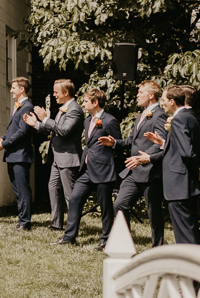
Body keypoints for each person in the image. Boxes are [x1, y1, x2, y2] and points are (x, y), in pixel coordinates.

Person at [97, 81, 167, 247]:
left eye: (140, 92)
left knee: (154, 213)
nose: (137, 95)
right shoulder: (142, 114)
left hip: (150, 171)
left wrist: (145, 157)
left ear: (151, 95)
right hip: (133, 172)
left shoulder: (159, 115)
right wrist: (114, 143)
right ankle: (125, 243)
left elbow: (160, 143)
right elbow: (132, 141)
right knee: (120, 205)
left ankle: (157, 248)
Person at [52, 88, 121, 249]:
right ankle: (69, 237)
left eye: (85, 101)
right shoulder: (87, 121)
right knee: (75, 199)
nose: (82, 104)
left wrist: (112, 169)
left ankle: (106, 240)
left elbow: (117, 147)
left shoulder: (110, 121)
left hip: (104, 170)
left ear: (95, 102)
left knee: (105, 206)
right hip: (87, 170)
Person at [136, 85, 200, 246]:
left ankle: (188, 268)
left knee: (184, 233)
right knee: (190, 228)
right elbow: (185, 147)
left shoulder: (178, 119)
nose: (162, 103)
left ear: (173, 101)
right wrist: (163, 143)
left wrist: (195, 171)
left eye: (164, 100)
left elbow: (187, 152)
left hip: (179, 183)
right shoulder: (191, 116)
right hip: (187, 183)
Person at [24, 79, 83, 231]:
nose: (54, 94)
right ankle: (56, 224)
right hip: (58, 158)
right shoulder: (63, 108)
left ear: (66, 93)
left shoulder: (74, 109)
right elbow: (54, 130)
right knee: (53, 188)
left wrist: (44, 118)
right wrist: (36, 124)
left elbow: (63, 131)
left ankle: (72, 228)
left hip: (68, 158)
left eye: (56, 92)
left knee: (70, 196)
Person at [0, 77, 35, 230]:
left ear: (22, 89)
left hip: (21, 154)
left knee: (23, 189)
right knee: (17, 189)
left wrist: (4, 144)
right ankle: (21, 219)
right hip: (13, 154)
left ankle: (25, 222)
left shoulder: (27, 107)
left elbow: (22, 132)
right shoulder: (19, 106)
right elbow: (13, 130)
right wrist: (3, 138)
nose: (11, 90)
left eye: (13, 87)